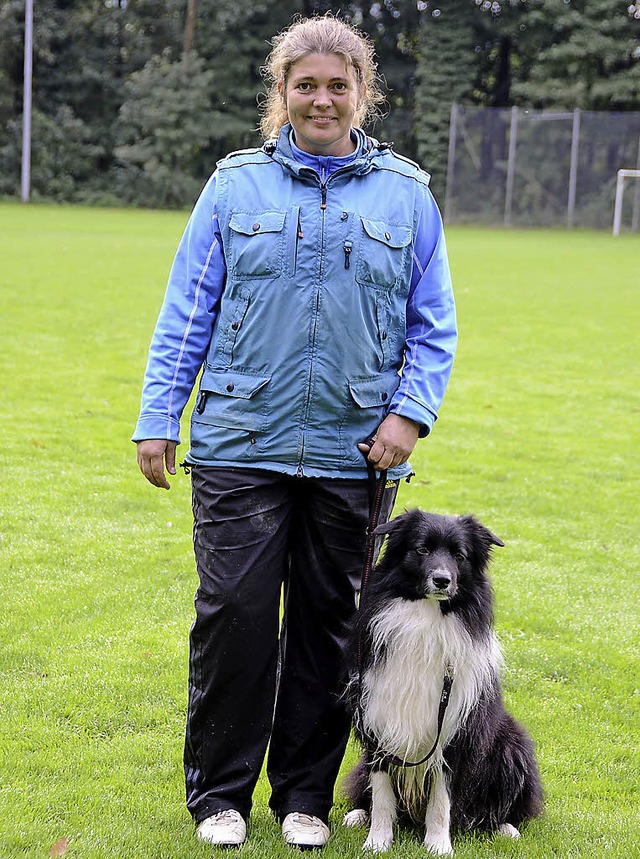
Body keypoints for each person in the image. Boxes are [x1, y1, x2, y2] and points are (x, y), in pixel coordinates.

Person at [133, 14, 457, 850]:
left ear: (362, 93)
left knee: (328, 625)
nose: (320, 98)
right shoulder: (235, 186)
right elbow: (186, 311)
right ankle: (218, 797)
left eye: (336, 85)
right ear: (281, 93)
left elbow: (434, 325)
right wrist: (159, 417)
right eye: (304, 84)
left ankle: (306, 795)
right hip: (242, 440)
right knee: (235, 617)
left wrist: (409, 414)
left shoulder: (407, 195)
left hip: (357, 450)